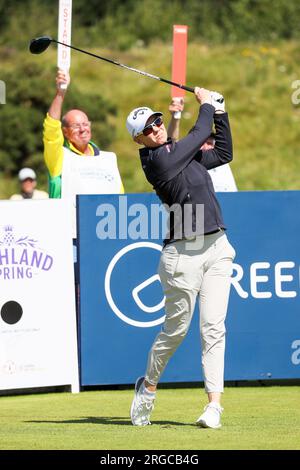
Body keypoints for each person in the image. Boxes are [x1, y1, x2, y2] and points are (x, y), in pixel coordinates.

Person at [126, 87, 236, 429]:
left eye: (157, 121)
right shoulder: (158, 162)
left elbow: (223, 151)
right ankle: (149, 385)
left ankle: (213, 407)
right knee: (176, 330)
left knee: (213, 328)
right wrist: (206, 106)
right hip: (181, 256)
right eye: (147, 129)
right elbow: (200, 133)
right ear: (139, 141)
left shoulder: (180, 153)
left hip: (218, 248)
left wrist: (220, 112)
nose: (155, 128)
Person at [43, 69, 124, 235]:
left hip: (107, 237)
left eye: (85, 124)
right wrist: (60, 93)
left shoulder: (109, 159)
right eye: (76, 126)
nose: (83, 129)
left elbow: (120, 199)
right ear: (65, 132)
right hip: (70, 238)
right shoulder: (59, 157)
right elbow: (51, 130)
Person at [168, 97, 238, 192]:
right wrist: (175, 117)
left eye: (209, 143)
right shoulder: (190, 162)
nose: (205, 147)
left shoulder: (221, 157)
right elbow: (171, 146)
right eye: (201, 144)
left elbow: (224, 142)